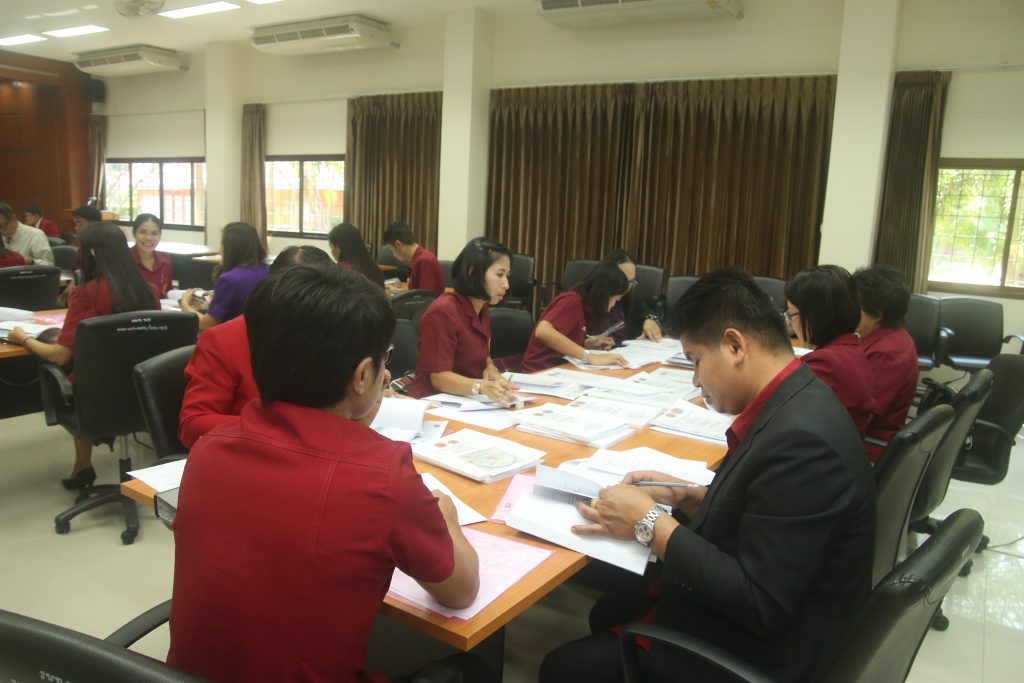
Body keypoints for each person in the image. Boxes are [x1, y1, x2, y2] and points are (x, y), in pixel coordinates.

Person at [540, 269, 875, 683]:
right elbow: (768, 509)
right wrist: (693, 497)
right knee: (610, 610)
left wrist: (649, 522)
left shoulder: (803, 442)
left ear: (735, 345)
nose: (696, 380)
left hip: (766, 654)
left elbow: (760, 602)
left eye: (697, 361)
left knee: (562, 667)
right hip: (771, 619)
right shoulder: (797, 397)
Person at [167, 264, 487, 683]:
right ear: (362, 375)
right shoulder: (382, 476)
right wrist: (448, 521)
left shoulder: (209, 449)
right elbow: (461, 591)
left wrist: (354, 418)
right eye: (386, 358)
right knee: (472, 669)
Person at [6, 223, 160, 488]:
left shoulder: (87, 293)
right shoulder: (149, 290)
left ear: (92, 253)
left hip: (98, 395)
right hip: (144, 390)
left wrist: (24, 339)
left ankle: (84, 466)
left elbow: (59, 356)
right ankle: (81, 467)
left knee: (79, 372)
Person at [178, 245, 332, 449]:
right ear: (271, 290)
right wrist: (276, 429)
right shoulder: (225, 339)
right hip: (252, 453)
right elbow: (193, 424)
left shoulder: (331, 334)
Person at [407, 237, 518, 402]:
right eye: (500, 274)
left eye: (507, 276)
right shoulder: (443, 312)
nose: (506, 284)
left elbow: (481, 353)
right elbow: (438, 377)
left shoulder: (481, 307)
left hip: (467, 400)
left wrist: (490, 367)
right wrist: (480, 386)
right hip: (433, 402)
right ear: (472, 271)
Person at [784, 265, 874, 438]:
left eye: (792, 315)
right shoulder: (852, 350)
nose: (792, 325)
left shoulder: (824, 364)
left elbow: (780, 414)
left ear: (814, 317)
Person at [853, 265, 919, 462]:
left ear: (877, 315)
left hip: (867, 448)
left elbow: (859, 420)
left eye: (854, 305)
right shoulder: (893, 336)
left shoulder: (886, 354)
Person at [520, 263, 630, 372]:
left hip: (561, 368)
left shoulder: (587, 308)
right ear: (605, 295)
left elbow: (563, 343)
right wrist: (591, 357)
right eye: (616, 300)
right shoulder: (572, 301)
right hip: (539, 371)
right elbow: (543, 331)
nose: (613, 306)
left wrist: (587, 344)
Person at [180, 221, 267, 330]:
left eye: (222, 244)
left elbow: (206, 324)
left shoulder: (229, 279)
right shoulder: (266, 270)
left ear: (231, 249)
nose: (219, 249)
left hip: (232, 336)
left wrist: (184, 304)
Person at [598, 250, 663, 343]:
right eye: (624, 280)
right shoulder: (589, 297)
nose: (627, 287)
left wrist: (650, 319)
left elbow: (648, 312)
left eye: (631, 281)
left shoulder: (629, 295)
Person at [383, 221, 445, 297]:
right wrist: (396, 291)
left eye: (391, 250)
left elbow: (425, 298)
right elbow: (417, 292)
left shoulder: (424, 261)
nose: (393, 254)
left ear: (398, 244)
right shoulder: (418, 258)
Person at [129, 213, 174, 297]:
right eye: (143, 232)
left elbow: (168, 292)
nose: (148, 238)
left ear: (160, 235)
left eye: (154, 233)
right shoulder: (124, 259)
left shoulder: (166, 260)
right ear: (134, 233)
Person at [328, 222, 385, 288]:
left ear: (338, 248)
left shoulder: (341, 272)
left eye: (331, 246)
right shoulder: (373, 267)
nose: (331, 251)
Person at [0, 202, 54, 266]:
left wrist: (31, 262)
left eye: (2, 226)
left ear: (13, 218)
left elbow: (49, 264)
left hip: (28, 271)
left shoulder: (35, 235)